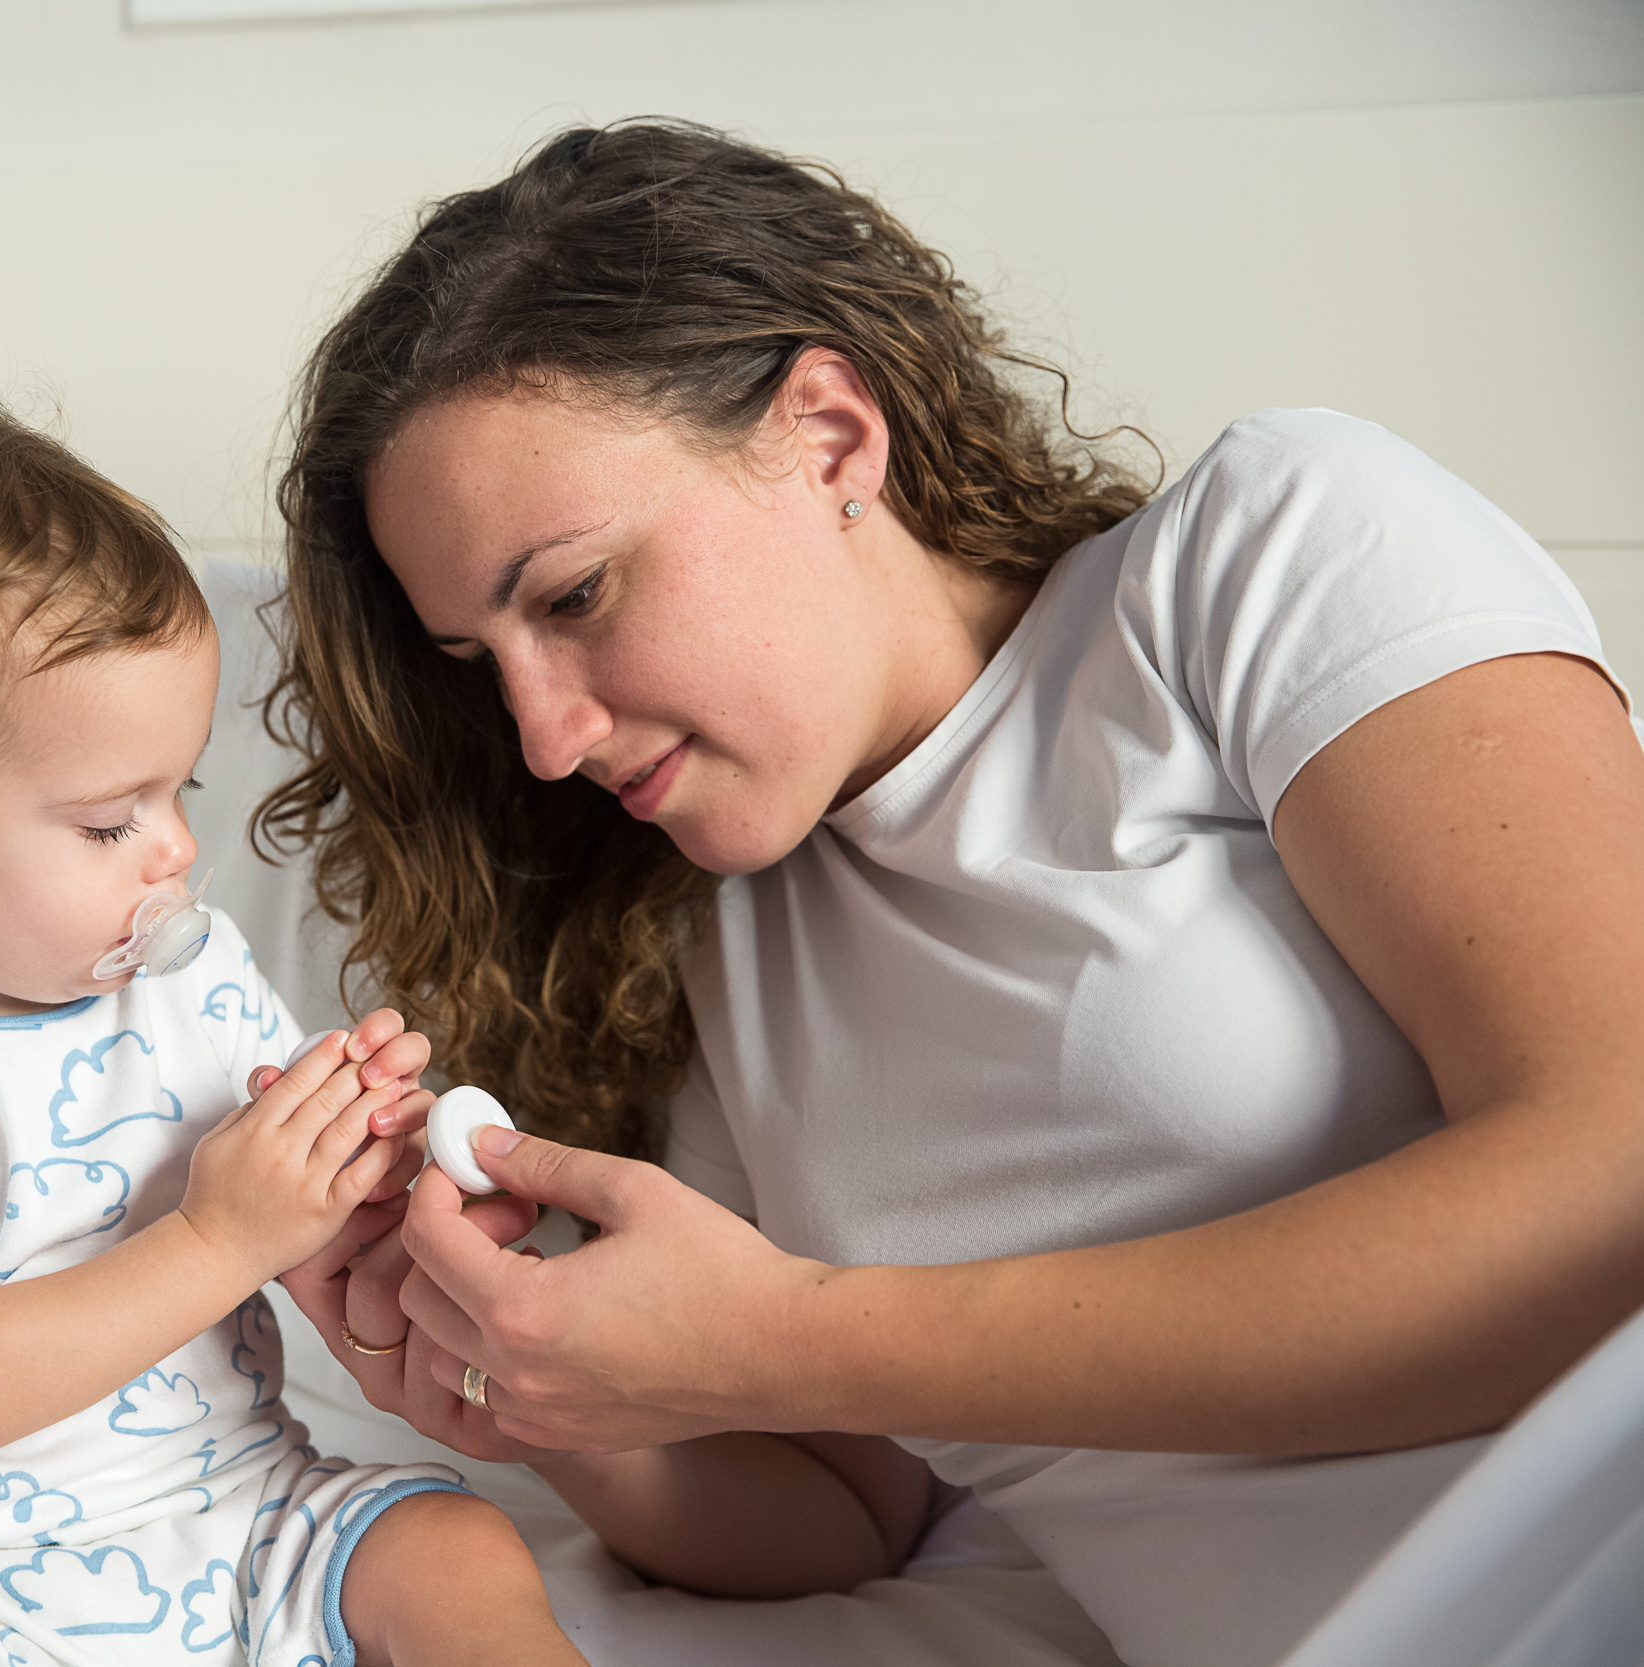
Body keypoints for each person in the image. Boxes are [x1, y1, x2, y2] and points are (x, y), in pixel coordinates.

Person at [255, 123, 1644, 1667]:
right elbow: (849, 1512)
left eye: (574, 595)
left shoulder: (1256, 562)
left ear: (832, 436)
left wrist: (786, 1330)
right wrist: (536, 1383)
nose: (542, 734)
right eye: (480, 663)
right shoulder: (722, 943)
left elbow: (1616, 1177)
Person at [0, 394, 588, 1667]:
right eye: (109, 819)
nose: (176, 849)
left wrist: (372, 1166)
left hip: (240, 1506)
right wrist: (219, 1233)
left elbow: (299, 1206)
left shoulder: (188, 985)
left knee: (453, 1546)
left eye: (179, 787)